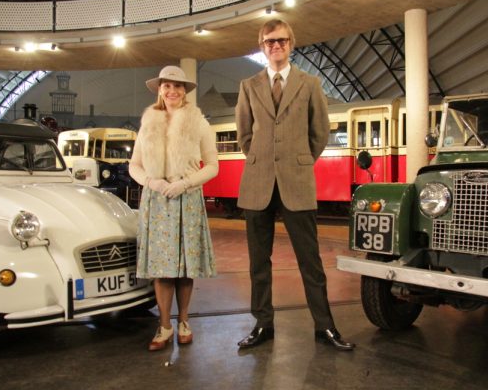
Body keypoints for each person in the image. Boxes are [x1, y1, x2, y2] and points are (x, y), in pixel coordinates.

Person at [235, 19, 355, 351]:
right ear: (262, 46)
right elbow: (245, 135)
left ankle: (325, 326)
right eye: (270, 41)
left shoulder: (310, 83)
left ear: (291, 44)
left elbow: (319, 133)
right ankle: (263, 324)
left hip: (297, 181)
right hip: (258, 183)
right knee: (259, 262)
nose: (276, 46)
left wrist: (297, 160)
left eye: (282, 41)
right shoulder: (248, 86)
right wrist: (264, 159)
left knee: (310, 261)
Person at [129, 65, 218, 351]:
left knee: (184, 267)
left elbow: (213, 165)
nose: (172, 91)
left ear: (185, 91)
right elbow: (134, 165)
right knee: (162, 268)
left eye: (178, 86)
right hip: (156, 199)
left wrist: (186, 183)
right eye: (167, 86)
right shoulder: (148, 123)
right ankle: (164, 326)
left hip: (186, 196)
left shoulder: (199, 123)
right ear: (159, 89)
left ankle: (184, 322)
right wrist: (150, 182)